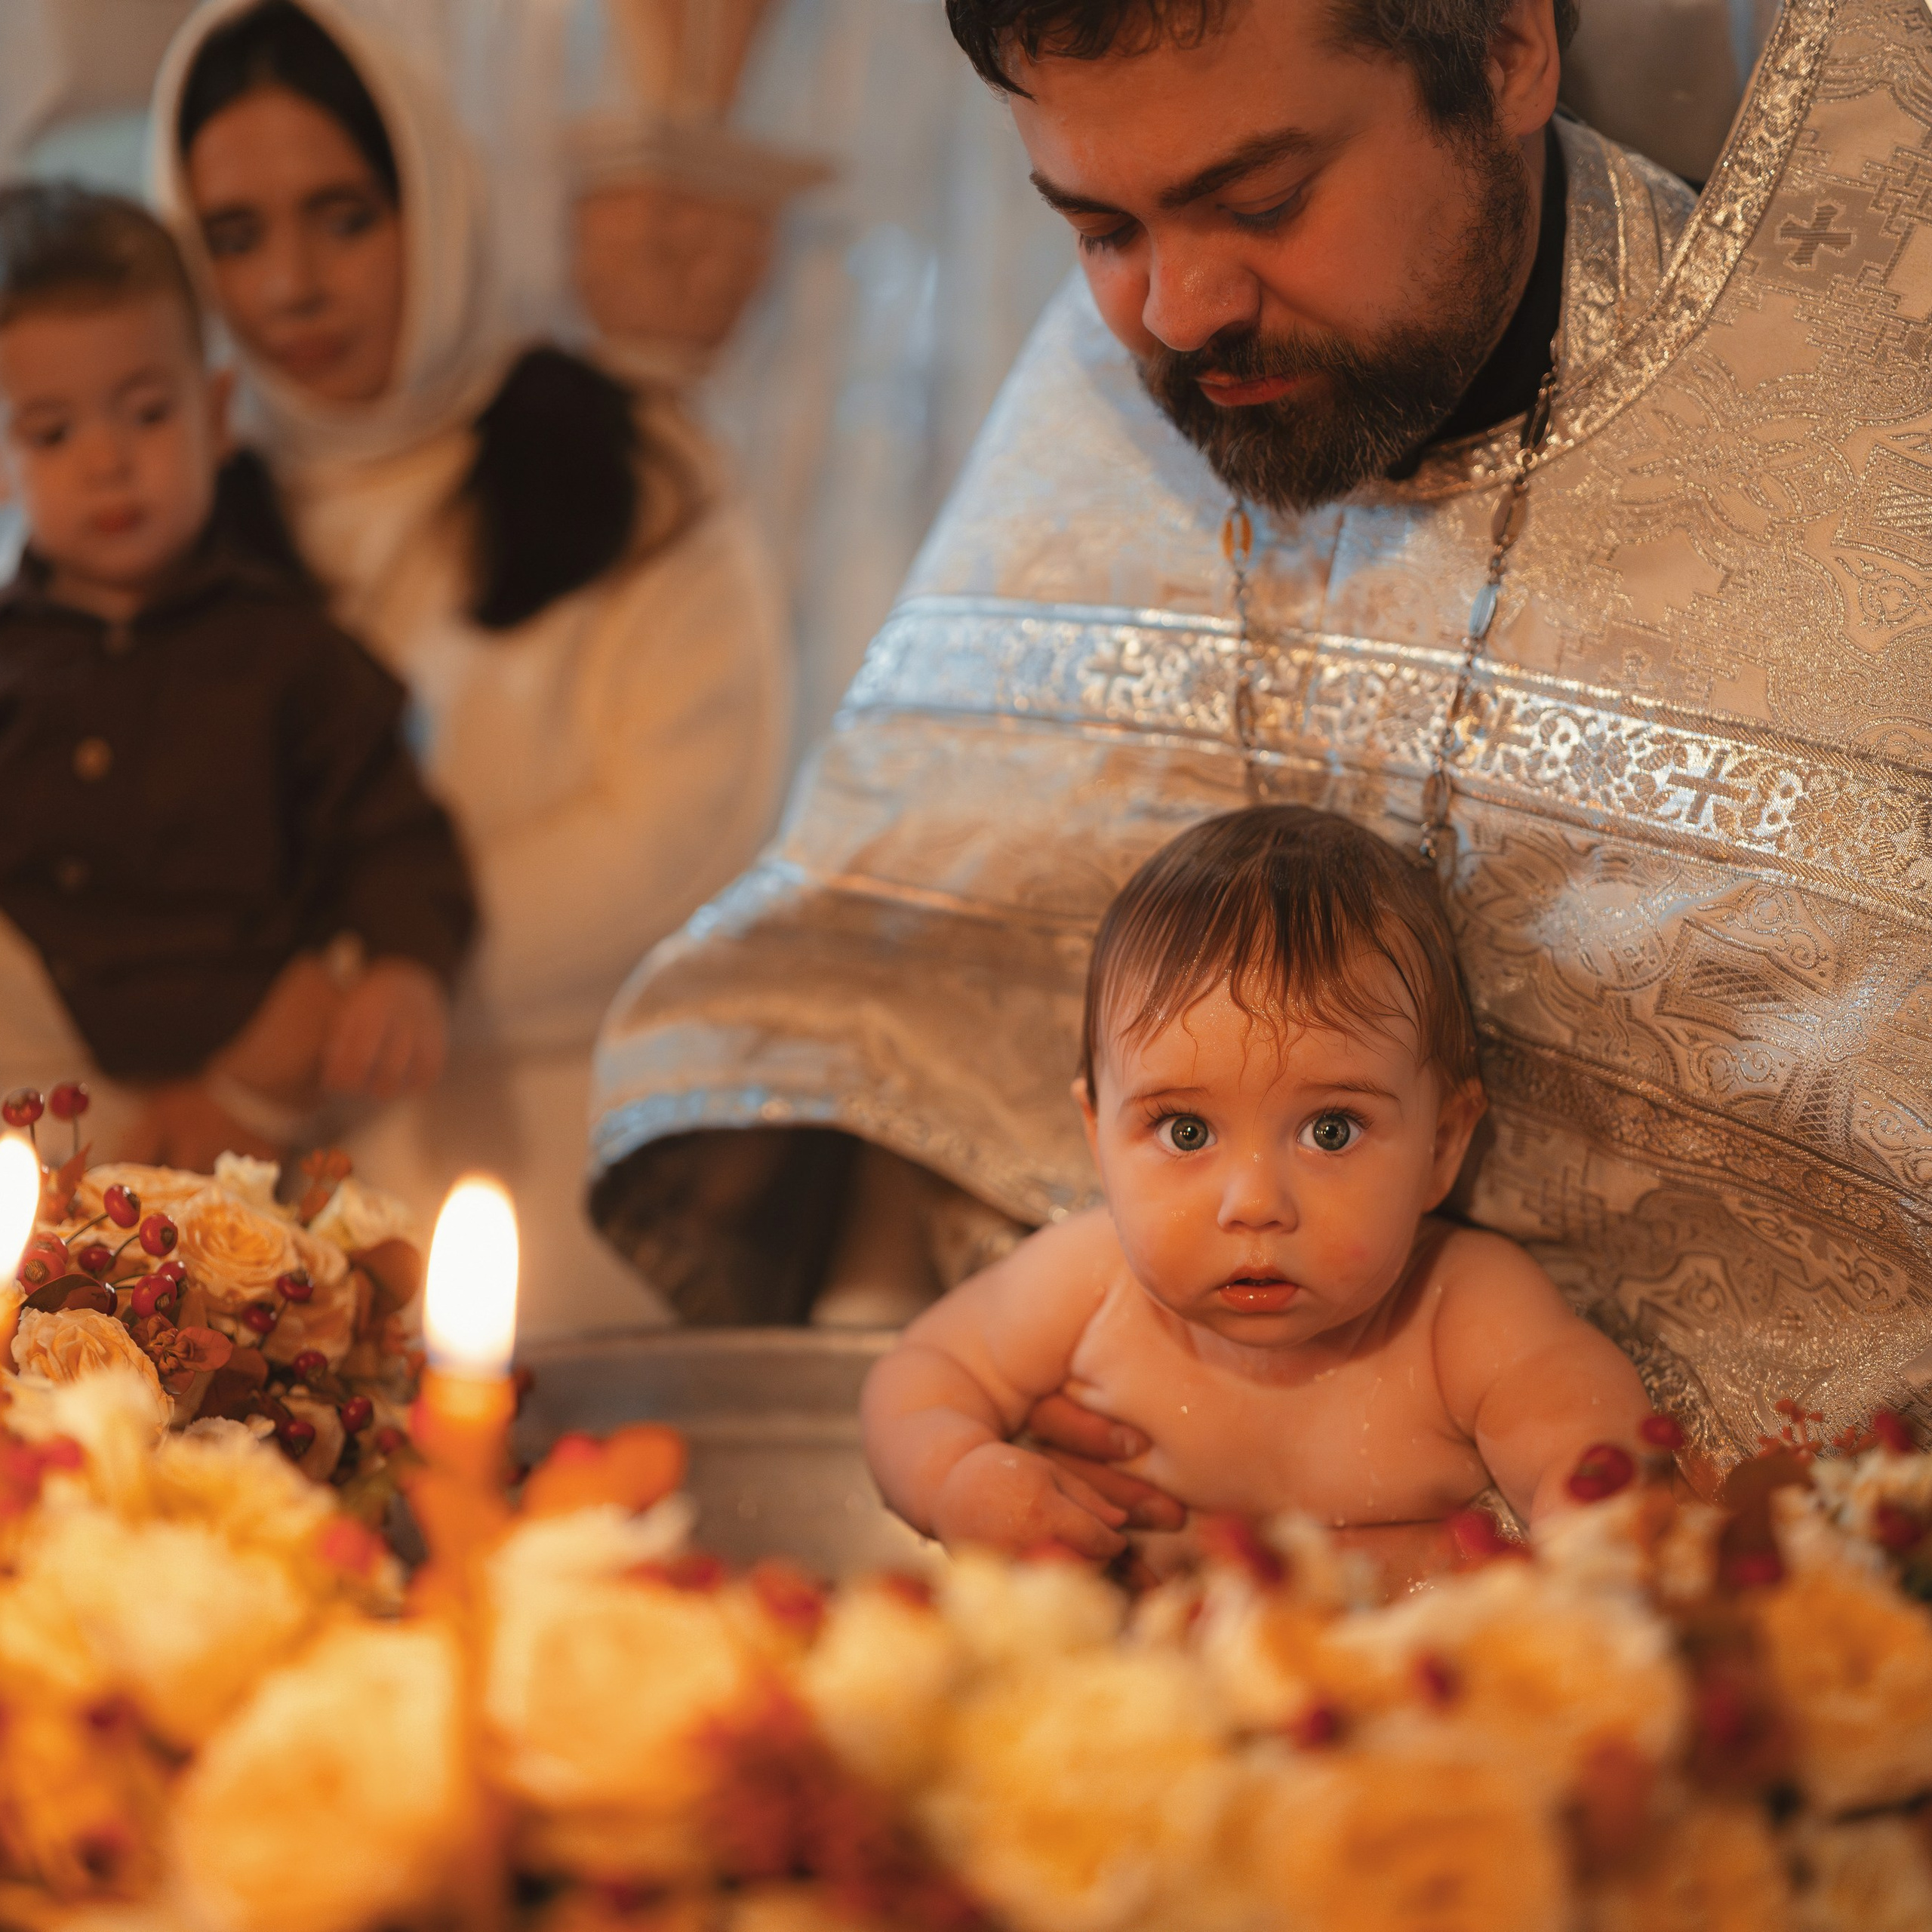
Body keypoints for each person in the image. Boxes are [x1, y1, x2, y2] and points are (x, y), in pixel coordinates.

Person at [590, 0, 1932, 1478]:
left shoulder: (1857, 448)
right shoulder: (1107, 402)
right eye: (1099, 229)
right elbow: (891, 1092)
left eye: (1261, 202)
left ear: (1502, 52)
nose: (1174, 311)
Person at [127, 0, 791, 1335]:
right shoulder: (177, 528)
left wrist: (348, 979)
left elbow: (686, 818)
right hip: (252, 1235)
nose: (291, 288)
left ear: (437, 193)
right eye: (235, 238)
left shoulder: (624, 468)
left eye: (346, 215)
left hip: (572, 1202)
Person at [863, 807, 1651, 1559]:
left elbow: (1588, 1441)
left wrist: (1591, 1527)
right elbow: (920, 1378)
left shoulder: (1460, 1309)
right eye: (1186, 1132)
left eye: (1330, 1131)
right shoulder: (1083, 1282)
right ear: (1095, 1134)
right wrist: (955, 1477)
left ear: (1442, 1144)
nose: (1254, 1205)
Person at [0, 181, 475, 1169]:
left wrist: (404, 970)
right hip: (41, 1103)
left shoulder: (292, 652)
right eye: (54, 433)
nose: (109, 463)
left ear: (216, 414)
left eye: (146, 412)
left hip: (260, 1104)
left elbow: (394, 835)